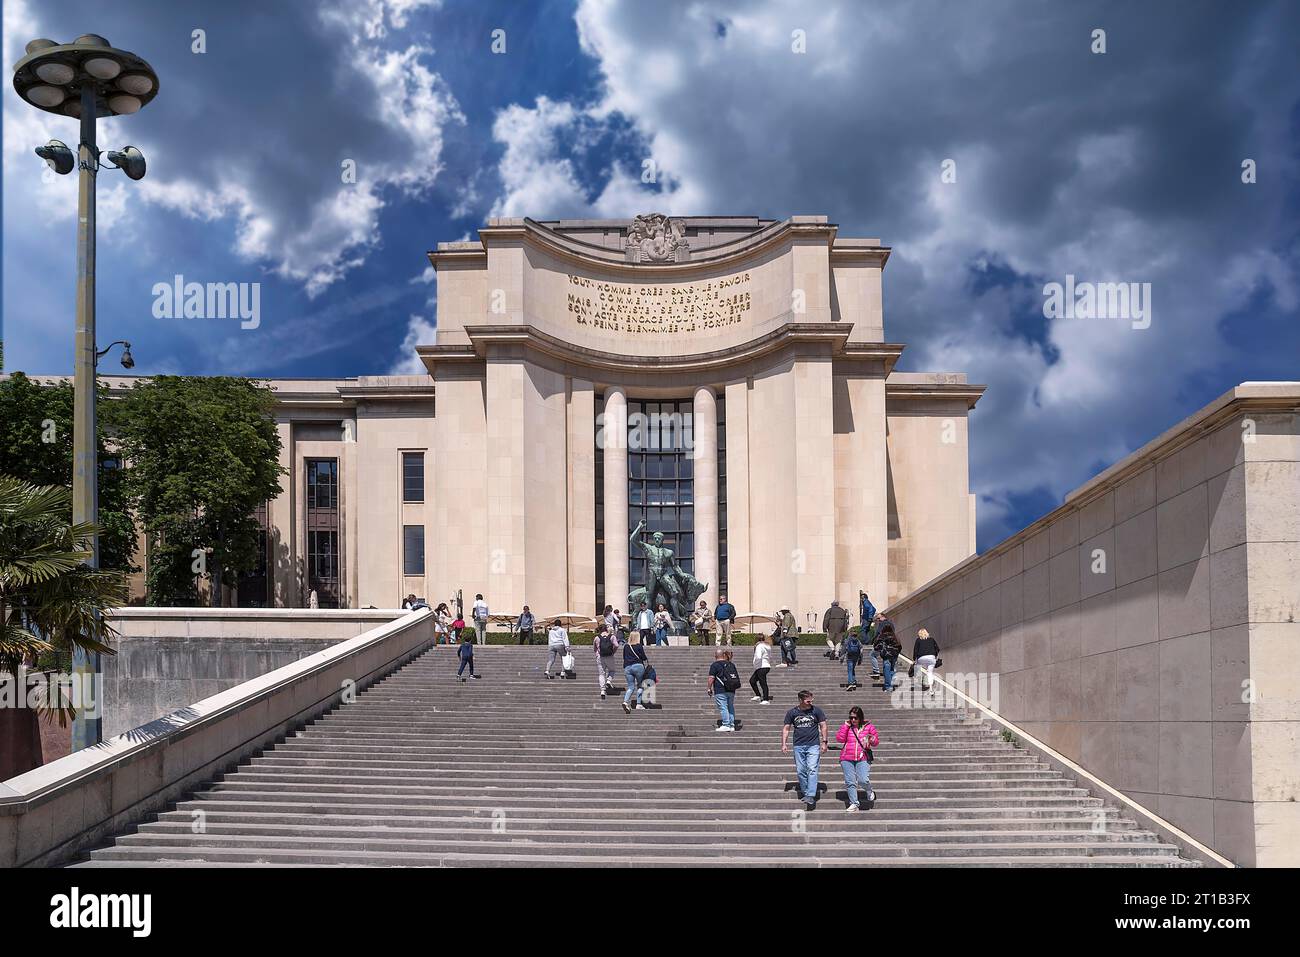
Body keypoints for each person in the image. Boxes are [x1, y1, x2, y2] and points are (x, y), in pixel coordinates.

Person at [782, 691, 828, 811]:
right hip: (798, 745)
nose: (810, 703)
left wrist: (824, 742)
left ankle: (810, 795)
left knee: (812, 768)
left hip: (813, 745)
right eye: (808, 701)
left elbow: (823, 726)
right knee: (801, 770)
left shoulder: (816, 711)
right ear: (801, 700)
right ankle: (806, 791)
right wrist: (784, 744)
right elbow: (786, 728)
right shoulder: (792, 712)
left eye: (811, 700)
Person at [835, 706, 879, 811]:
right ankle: (854, 803)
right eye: (851, 718)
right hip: (846, 757)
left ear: (860, 717)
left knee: (863, 779)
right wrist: (845, 726)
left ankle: (869, 790)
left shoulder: (869, 727)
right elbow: (840, 739)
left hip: (862, 756)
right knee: (850, 781)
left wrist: (872, 739)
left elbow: (876, 742)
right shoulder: (848, 727)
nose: (853, 720)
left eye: (855, 718)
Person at [707, 647, 741, 732]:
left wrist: (709, 688)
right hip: (731, 689)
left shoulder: (715, 665)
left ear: (715, 655)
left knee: (723, 707)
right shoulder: (731, 664)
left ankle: (726, 724)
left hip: (720, 689)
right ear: (723, 655)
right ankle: (732, 725)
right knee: (730, 707)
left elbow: (711, 678)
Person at [621, 632, 649, 713]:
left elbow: (624, 657)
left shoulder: (626, 646)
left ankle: (625, 702)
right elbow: (643, 657)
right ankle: (638, 704)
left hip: (627, 667)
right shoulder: (639, 646)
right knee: (640, 685)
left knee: (630, 687)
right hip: (638, 666)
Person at [594, 621, 621, 699]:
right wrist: (613, 651)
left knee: (601, 674)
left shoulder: (597, 638)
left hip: (600, 657)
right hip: (610, 656)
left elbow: (595, 648)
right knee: (612, 670)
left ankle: (602, 690)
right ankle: (609, 681)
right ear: (606, 629)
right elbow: (616, 645)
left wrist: (597, 655)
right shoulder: (612, 636)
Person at [874, 615, 901, 692]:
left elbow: (877, 645)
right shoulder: (895, 636)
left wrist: (881, 650)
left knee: (886, 670)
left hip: (886, 655)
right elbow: (899, 646)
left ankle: (888, 686)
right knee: (892, 670)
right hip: (894, 655)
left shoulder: (882, 636)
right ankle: (891, 686)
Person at [912, 627, 941, 695]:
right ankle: (931, 689)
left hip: (921, 658)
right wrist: (935, 656)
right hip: (931, 657)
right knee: (930, 672)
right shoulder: (932, 639)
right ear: (927, 633)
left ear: (919, 634)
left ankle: (917, 684)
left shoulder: (918, 640)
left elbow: (915, 650)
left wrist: (914, 659)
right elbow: (938, 649)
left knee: (917, 667)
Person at [750, 633, 773, 704]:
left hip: (761, 666)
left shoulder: (759, 646)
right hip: (765, 666)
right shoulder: (767, 646)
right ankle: (758, 695)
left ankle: (766, 699)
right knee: (752, 680)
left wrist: (755, 663)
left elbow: (758, 656)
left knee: (763, 683)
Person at [842, 624, 864, 691]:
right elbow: (861, 649)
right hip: (856, 656)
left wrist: (841, 657)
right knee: (853, 669)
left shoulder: (848, 640)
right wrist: (860, 659)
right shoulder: (858, 640)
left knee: (849, 670)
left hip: (850, 656)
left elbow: (844, 649)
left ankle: (850, 683)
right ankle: (854, 681)